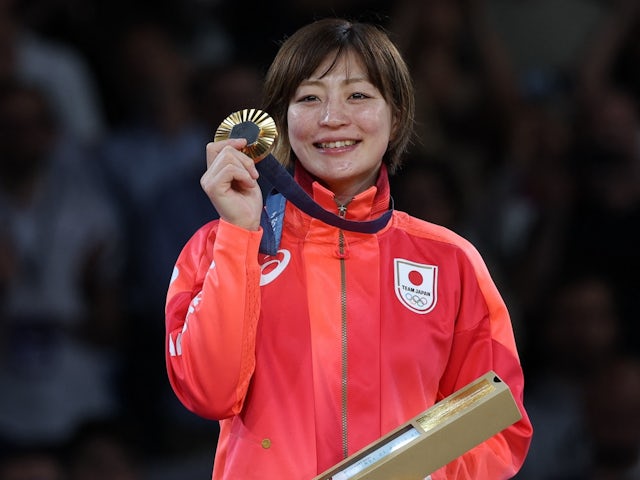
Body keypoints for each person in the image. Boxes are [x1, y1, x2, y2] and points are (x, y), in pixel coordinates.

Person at [165, 18, 532, 480]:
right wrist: (238, 233)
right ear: (280, 123)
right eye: (309, 98)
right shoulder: (217, 247)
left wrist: (415, 474)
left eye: (358, 95)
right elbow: (209, 393)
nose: (332, 117)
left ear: (395, 116)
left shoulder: (451, 260)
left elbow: (498, 424)